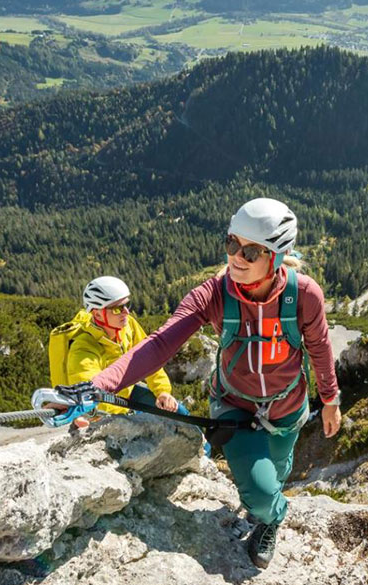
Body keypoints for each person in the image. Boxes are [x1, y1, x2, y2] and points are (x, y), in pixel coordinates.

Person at [83, 197, 341, 568]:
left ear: (277, 256)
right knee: (264, 493)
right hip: (233, 407)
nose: (236, 257)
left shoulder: (304, 295)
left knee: (279, 470)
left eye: (251, 252)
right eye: (231, 243)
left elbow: (319, 345)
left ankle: (263, 507)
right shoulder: (214, 294)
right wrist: (99, 384)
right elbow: (160, 344)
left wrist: (330, 399)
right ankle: (271, 516)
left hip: (287, 407)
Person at [61, 275, 182, 420]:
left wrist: (162, 391)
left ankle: (207, 444)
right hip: (104, 412)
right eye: (118, 309)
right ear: (98, 314)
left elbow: (150, 359)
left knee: (179, 412)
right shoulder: (83, 348)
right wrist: (126, 414)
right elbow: (91, 396)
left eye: (127, 305)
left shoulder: (128, 326)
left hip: (128, 393)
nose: (126, 312)